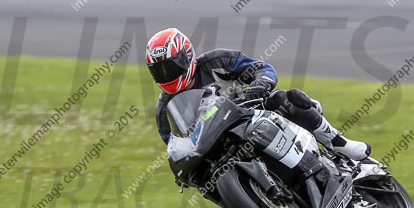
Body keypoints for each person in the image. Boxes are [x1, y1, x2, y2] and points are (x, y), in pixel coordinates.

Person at [145, 27, 370, 161]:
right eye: (159, 71)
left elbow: (263, 68)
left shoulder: (217, 61)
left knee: (287, 99)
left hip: (255, 112)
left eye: (170, 67)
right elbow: (176, 148)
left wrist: (259, 85)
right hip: (222, 146)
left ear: (186, 56)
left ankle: (339, 143)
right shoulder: (165, 111)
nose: (166, 74)